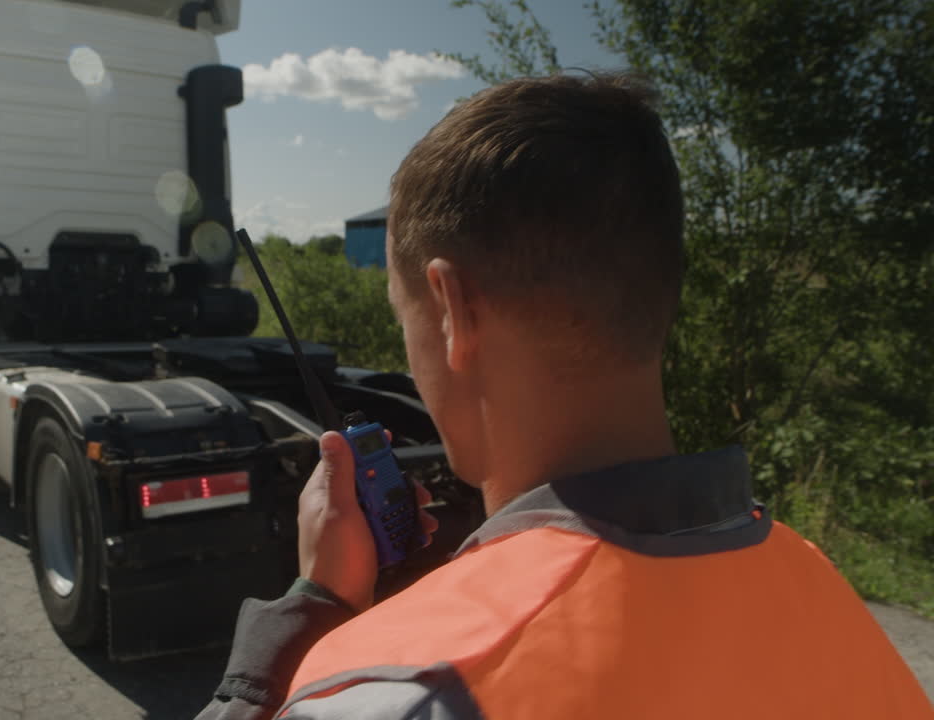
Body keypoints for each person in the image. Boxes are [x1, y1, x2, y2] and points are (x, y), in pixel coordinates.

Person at [196, 72, 933, 720]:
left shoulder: (395, 689)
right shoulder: (823, 594)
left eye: (404, 318)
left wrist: (309, 615)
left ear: (453, 310)